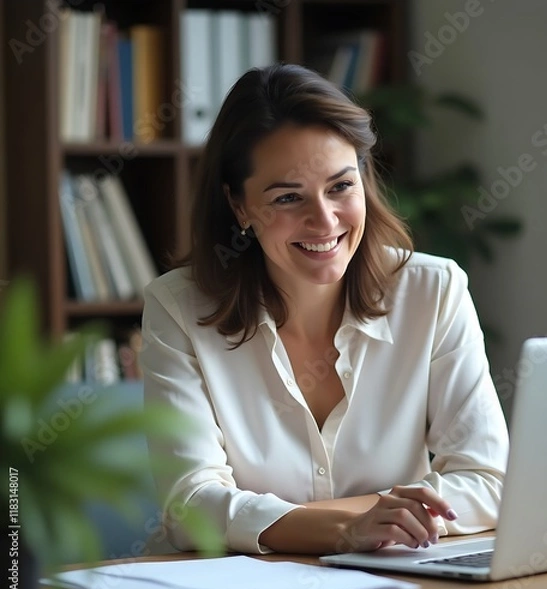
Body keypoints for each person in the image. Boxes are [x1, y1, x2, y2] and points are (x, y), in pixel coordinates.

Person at [141, 63, 509, 555]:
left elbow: (488, 480)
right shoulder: (178, 308)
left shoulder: (433, 292)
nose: (324, 220)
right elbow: (190, 505)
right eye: (288, 197)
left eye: (341, 186)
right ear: (239, 206)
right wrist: (347, 530)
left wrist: (361, 524)